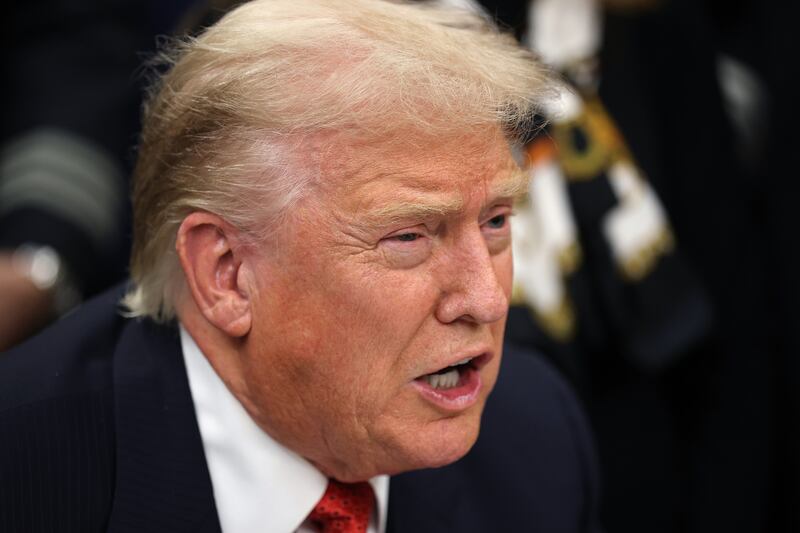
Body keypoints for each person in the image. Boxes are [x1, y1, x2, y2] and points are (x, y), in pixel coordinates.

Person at [0, 1, 602, 532]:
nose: (487, 298)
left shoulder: (535, 440)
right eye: (410, 236)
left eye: (496, 221)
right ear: (228, 274)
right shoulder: (26, 479)